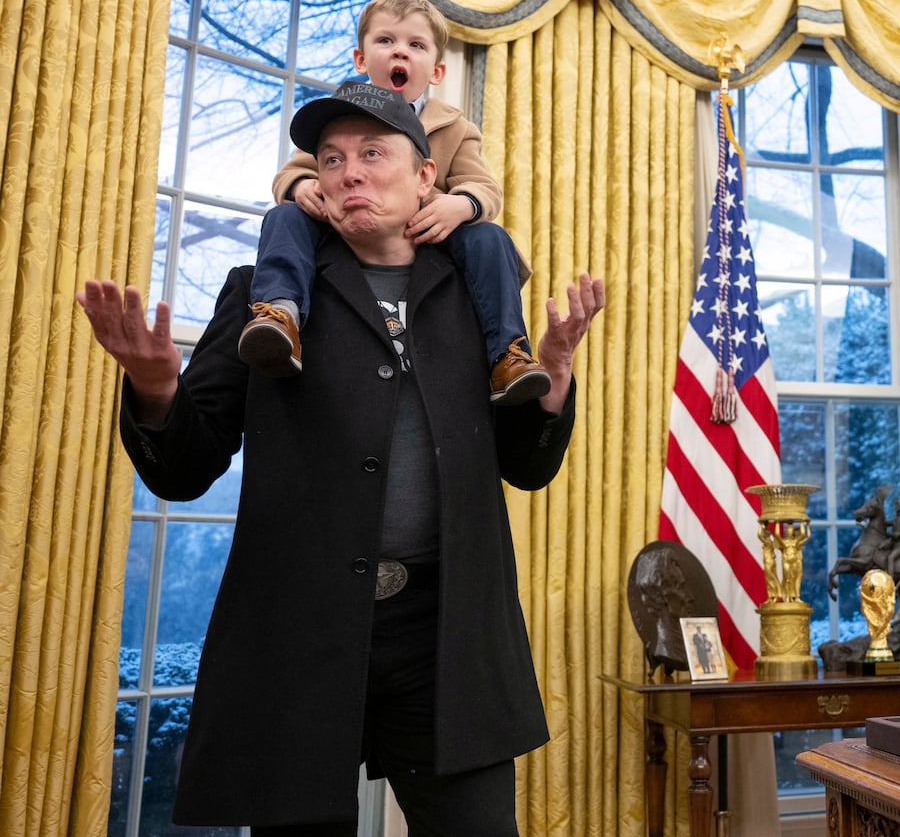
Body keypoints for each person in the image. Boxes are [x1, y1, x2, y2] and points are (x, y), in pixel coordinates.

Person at [77, 82, 604, 833]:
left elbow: (528, 465)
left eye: (372, 153)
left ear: (427, 176)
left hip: (447, 640)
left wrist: (554, 371)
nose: (348, 171)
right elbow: (182, 469)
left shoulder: (478, 297)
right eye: (331, 158)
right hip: (298, 639)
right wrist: (156, 388)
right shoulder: (265, 295)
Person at [241, 0, 550, 406]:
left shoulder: (454, 126)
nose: (399, 52)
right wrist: (302, 188)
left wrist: (460, 205)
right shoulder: (338, 118)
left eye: (415, 45)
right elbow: (290, 173)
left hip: (432, 230)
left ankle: (508, 355)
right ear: (361, 60)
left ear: (437, 70)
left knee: (490, 238)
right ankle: (280, 316)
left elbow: (485, 187)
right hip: (349, 228)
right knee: (284, 218)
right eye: (385, 41)